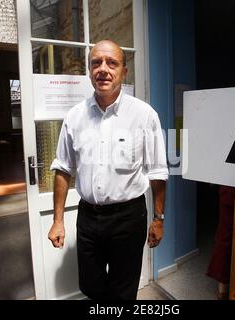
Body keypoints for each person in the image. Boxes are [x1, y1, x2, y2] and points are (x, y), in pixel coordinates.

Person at [48, 40, 169, 300]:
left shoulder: (144, 115)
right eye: (96, 63)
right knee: (90, 286)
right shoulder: (74, 116)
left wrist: (158, 220)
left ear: (124, 72)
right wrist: (57, 220)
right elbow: (62, 169)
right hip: (89, 218)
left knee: (123, 291)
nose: (103, 69)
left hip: (128, 218)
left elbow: (158, 172)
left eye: (111, 63)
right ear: (90, 71)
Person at [206, 185, 235, 300]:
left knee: (225, 234)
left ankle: (223, 288)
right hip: (229, 187)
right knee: (225, 235)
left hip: (230, 187)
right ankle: (223, 287)